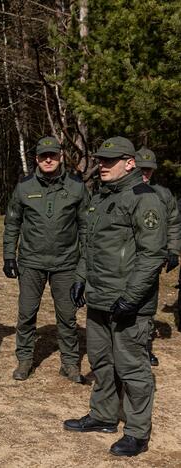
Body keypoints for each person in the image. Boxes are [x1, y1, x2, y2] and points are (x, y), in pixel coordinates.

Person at [65, 136, 166, 457]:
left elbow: (152, 255)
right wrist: (81, 277)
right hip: (98, 297)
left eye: (110, 161)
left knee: (132, 368)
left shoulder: (144, 199)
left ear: (130, 163)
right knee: (102, 362)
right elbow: (90, 244)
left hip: (128, 303)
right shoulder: (102, 196)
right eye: (100, 160)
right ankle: (104, 415)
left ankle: (137, 432)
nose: (102, 166)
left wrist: (132, 297)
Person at [3, 136, 89, 382]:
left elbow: (86, 228)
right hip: (31, 262)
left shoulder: (76, 187)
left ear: (61, 157)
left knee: (67, 316)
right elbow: (12, 223)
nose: (48, 159)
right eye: (43, 156)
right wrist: (9, 256)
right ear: (37, 159)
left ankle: (70, 363)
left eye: (52, 155)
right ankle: (25, 359)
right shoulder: (24, 187)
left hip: (66, 264)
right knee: (27, 313)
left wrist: (83, 267)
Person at [135, 146, 180, 366]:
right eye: (141, 168)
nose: (145, 173)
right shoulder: (123, 191)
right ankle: (120, 350)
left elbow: (173, 223)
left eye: (149, 169)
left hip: (150, 260)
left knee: (146, 306)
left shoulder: (163, 194)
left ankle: (143, 348)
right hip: (123, 260)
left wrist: (173, 250)